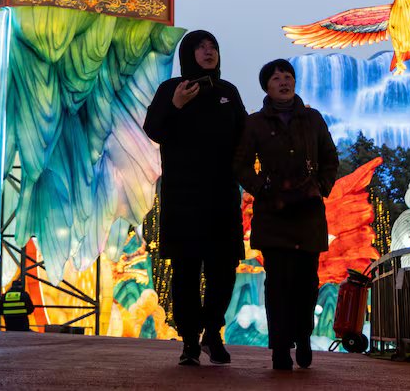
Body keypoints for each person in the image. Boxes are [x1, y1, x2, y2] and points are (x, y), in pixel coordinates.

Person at [143, 30, 248, 366]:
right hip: (183, 196)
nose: (208, 51)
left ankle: (212, 332)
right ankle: (190, 340)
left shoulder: (228, 92)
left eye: (213, 46)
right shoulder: (170, 89)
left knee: (224, 269)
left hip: (222, 195)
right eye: (200, 47)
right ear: (188, 53)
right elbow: (154, 129)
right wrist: (175, 106)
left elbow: (245, 137)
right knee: (186, 270)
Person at [234, 59, 338, 371]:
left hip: (308, 213)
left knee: (307, 282)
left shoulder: (312, 119)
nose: (283, 81)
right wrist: (261, 188)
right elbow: (240, 164)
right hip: (274, 213)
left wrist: (321, 187)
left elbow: (330, 157)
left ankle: (302, 337)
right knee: (277, 283)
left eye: (288, 76)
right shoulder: (255, 123)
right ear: (266, 87)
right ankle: (280, 347)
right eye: (276, 78)